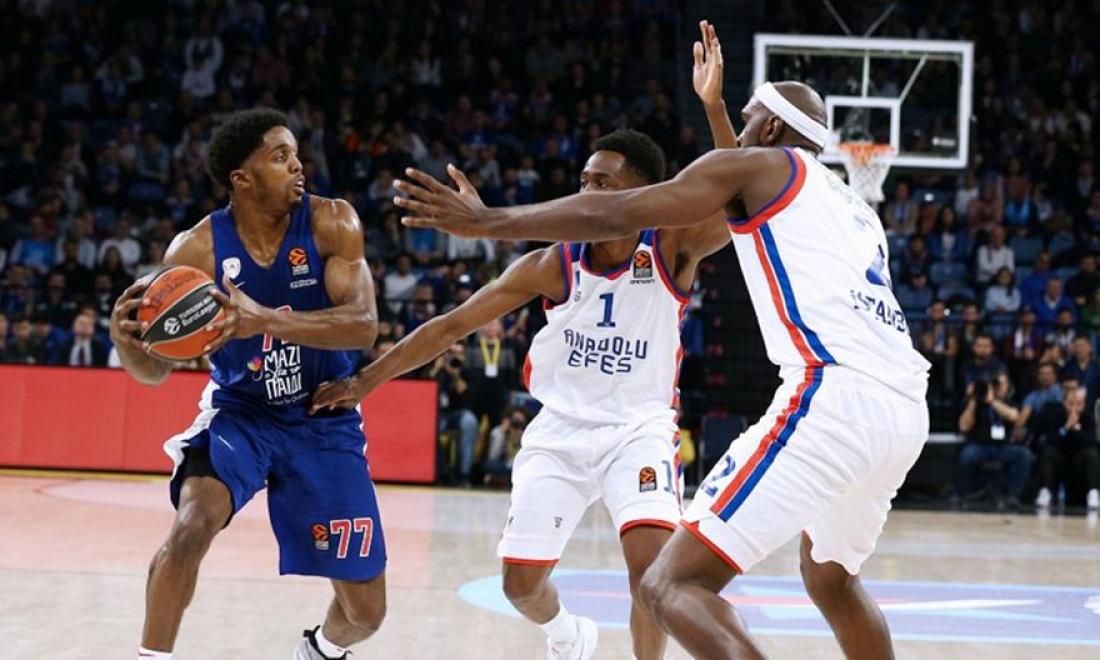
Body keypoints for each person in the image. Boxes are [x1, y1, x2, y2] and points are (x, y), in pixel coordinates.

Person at [393, 21, 929, 660]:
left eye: (749, 119)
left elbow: (620, 211)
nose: (740, 131)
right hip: (904, 409)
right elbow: (735, 195)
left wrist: (488, 222)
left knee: (669, 584)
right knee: (833, 580)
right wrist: (715, 109)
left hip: (832, 399)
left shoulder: (764, 166)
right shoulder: (853, 207)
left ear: (772, 132)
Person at [314, 126, 729, 660]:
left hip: (638, 430)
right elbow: (451, 325)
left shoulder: (671, 249)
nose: (586, 191)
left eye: (602, 183)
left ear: (641, 195)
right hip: (560, 432)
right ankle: (567, 633)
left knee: (650, 575)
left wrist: (715, 109)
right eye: (584, 180)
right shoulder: (554, 263)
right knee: (520, 585)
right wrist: (364, 381)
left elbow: (735, 192)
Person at [109, 109, 383, 660]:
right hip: (242, 412)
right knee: (191, 526)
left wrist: (266, 320)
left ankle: (321, 649)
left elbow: (363, 326)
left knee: (365, 612)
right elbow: (155, 373)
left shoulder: (333, 222)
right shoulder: (196, 251)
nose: (298, 165)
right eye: (281, 157)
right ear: (243, 177)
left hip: (323, 417)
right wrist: (128, 343)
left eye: (295, 154)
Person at [954, 377, 1030, 508]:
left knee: (1024, 455)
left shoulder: (1009, 402)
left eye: (1001, 384)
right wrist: (973, 399)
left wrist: (992, 402)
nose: (997, 387)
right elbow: (963, 427)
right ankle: (962, 495)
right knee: (967, 455)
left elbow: (1013, 416)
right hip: (980, 446)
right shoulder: (976, 404)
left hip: (1003, 447)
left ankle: (1013, 496)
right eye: (995, 384)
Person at [1032, 386, 1100, 509]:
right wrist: (1066, 428)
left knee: (1092, 454)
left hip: (1080, 462)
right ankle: (1046, 492)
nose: (1074, 408)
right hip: (1061, 460)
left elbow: (1091, 442)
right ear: (1064, 403)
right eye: (1071, 403)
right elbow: (1050, 439)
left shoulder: (1088, 417)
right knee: (1048, 452)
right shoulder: (1057, 415)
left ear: (1084, 404)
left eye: (1078, 404)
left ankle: (1093, 493)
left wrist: (1077, 429)